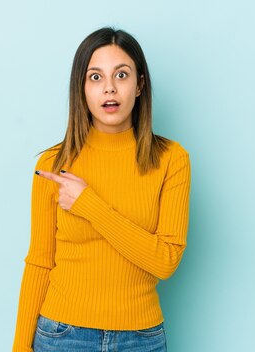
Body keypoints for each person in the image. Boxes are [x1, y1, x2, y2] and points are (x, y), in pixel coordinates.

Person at [12, 27, 191, 352]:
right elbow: (39, 262)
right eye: (95, 77)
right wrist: (19, 348)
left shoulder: (171, 160)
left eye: (121, 75)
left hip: (142, 339)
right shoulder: (54, 163)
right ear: (80, 88)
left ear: (139, 85)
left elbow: (166, 261)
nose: (109, 88)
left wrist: (89, 205)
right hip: (62, 336)